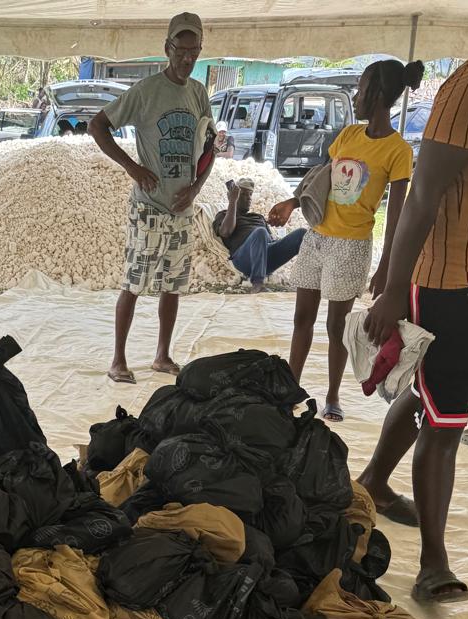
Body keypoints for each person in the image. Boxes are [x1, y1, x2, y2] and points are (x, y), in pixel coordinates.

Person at [356, 57, 468, 604]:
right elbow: (422, 197)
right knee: (446, 422)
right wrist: (395, 287)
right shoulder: (466, 87)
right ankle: (433, 563)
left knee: (438, 395)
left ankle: (374, 482)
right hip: (451, 282)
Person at [268, 58, 424, 422]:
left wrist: (386, 268)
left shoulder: (398, 151)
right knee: (302, 318)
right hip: (317, 238)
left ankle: (333, 396)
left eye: (361, 90)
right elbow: (320, 178)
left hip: (351, 246)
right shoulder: (349, 135)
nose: (355, 97)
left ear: (378, 95)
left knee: (336, 327)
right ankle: (291, 389)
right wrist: (293, 202)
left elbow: (396, 216)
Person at [88, 12, 214, 382]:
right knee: (134, 283)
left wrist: (196, 189)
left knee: (173, 286)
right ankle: (118, 360)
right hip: (149, 209)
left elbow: (209, 148)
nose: (187, 58)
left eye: (194, 51)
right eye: (181, 50)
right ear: (167, 48)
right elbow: (98, 126)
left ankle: (162, 355)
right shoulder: (146, 91)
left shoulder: (198, 93)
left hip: (182, 209)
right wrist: (133, 167)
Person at [213, 177, 306, 290]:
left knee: (302, 234)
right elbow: (226, 232)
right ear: (235, 196)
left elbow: (270, 241)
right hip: (244, 259)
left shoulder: (258, 217)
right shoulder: (223, 215)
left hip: (266, 258)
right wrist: (232, 201)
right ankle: (257, 283)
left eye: (250, 194)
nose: (248, 198)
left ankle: (308, 282)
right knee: (260, 232)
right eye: (243, 194)